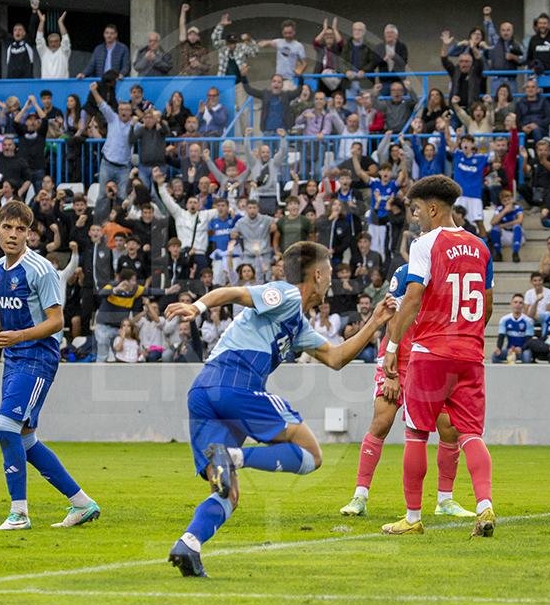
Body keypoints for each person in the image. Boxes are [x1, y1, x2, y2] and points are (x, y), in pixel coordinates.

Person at [164, 241, 395, 577]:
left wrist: (374, 322)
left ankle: (189, 543)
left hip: (203, 392)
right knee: (311, 454)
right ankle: (234, 457)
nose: (329, 280)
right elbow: (232, 292)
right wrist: (197, 307)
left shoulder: (297, 325)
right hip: (236, 382)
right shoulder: (285, 294)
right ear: (317, 275)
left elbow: (336, 357)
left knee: (227, 493)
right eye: (328, 273)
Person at [0, 201, 100, 531]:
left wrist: (19, 336)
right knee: (25, 440)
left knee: (6, 428)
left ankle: (19, 513)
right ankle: (82, 503)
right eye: (7, 227)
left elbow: (57, 321)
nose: (12, 234)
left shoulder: (41, 270)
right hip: (16, 358)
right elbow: (2, 316)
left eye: (20, 229)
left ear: (29, 234)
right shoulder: (0, 271)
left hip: (38, 357)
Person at [380, 175, 495, 538]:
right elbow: (487, 305)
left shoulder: (425, 243)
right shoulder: (481, 247)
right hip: (470, 353)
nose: (415, 217)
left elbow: (412, 298)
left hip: (431, 351)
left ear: (432, 208)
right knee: (471, 434)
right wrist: (468, 336)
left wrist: (394, 348)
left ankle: (412, 518)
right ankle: (484, 504)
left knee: (416, 433)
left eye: (416, 210)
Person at [339, 263, 478, 518]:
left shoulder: (448, 272)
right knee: (382, 420)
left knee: (449, 427)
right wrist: (391, 372)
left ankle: (445, 500)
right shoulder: (407, 271)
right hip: (399, 358)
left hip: (431, 360)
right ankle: (359, 495)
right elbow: (393, 317)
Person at [493, 293, 535, 363]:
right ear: (511, 304)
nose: (517, 305)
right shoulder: (504, 319)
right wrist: (499, 348)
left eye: (520, 303)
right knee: (494, 356)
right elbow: (501, 336)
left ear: (523, 305)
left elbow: (529, 340)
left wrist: (521, 348)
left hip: (523, 350)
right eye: (515, 302)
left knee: (527, 356)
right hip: (510, 350)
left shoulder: (528, 321)